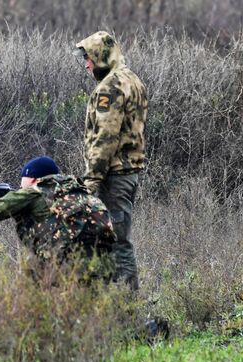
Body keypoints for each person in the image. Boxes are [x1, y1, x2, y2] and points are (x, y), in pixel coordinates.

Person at [0, 156, 116, 281]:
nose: (20, 187)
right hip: (101, 268)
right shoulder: (80, 192)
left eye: (23, 182)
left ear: (34, 179)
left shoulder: (35, 190)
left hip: (64, 271)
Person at [73, 31, 147, 291]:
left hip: (113, 177)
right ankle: (110, 303)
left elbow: (105, 138)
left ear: (102, 57)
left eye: (90, 58)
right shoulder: (132, 80)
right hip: (127, 172)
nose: (86, 64)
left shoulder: (110, 88)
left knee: (116, 241)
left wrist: (90, 181)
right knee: (111, 238)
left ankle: (127, 307)